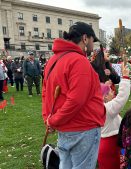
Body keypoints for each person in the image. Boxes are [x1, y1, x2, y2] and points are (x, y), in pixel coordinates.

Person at [42, 22, 106, 169]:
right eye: (92, 40)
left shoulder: (53, 60)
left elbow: (46, 94)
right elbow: (76, 100)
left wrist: (49, 119)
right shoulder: (79, 61)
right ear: (85, 38)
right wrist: (52, 121)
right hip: (83, 128)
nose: (93, 44)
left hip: (67, 128)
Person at [98, 63, 130, 169]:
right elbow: (122, 98)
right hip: (110, 146)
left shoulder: (98, 108)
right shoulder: (107, 109)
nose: (113, 92)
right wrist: (125, 78)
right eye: (111, 91)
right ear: (105, 96)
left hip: (104, 145)